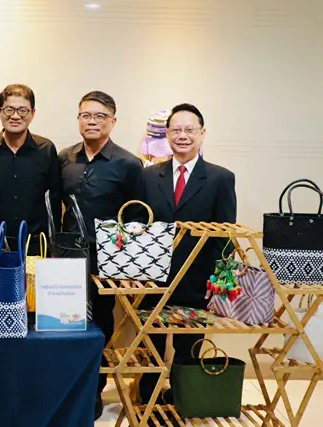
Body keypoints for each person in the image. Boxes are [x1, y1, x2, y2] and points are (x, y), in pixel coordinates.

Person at [139, 103, 237, 408]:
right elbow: (138, 226)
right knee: (150, 344)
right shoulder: (147, 176)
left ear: (202, 133)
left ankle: (182, 401)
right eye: (176, 130)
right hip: (153, 279)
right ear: (167, 135)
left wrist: (218, 280)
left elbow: (225, 234)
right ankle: (147, 402)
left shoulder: (221, 178)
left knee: (188, 347)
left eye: (189, 130)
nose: (182, 136)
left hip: (197, 280)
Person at [58, 91, 145, 420]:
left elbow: (137, 217)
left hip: (108, 259)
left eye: (99, 116)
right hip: (67, 255)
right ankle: (67, 388)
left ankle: (93, 390)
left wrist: (128, 267)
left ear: (113, 121)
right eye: (85, 115)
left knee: (100, 322)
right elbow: (55, 204)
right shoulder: (64, 158)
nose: (91, 121)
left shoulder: (129, 164)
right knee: (63, 320)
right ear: (78, 119)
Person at [0, 84, 60, 255]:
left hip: (36, 246)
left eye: (22, 110)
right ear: (0, 111)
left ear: (32, 113)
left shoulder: (46, 149)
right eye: (9, 109)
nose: (15, 116)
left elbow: (55, 200)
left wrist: (54, 245)